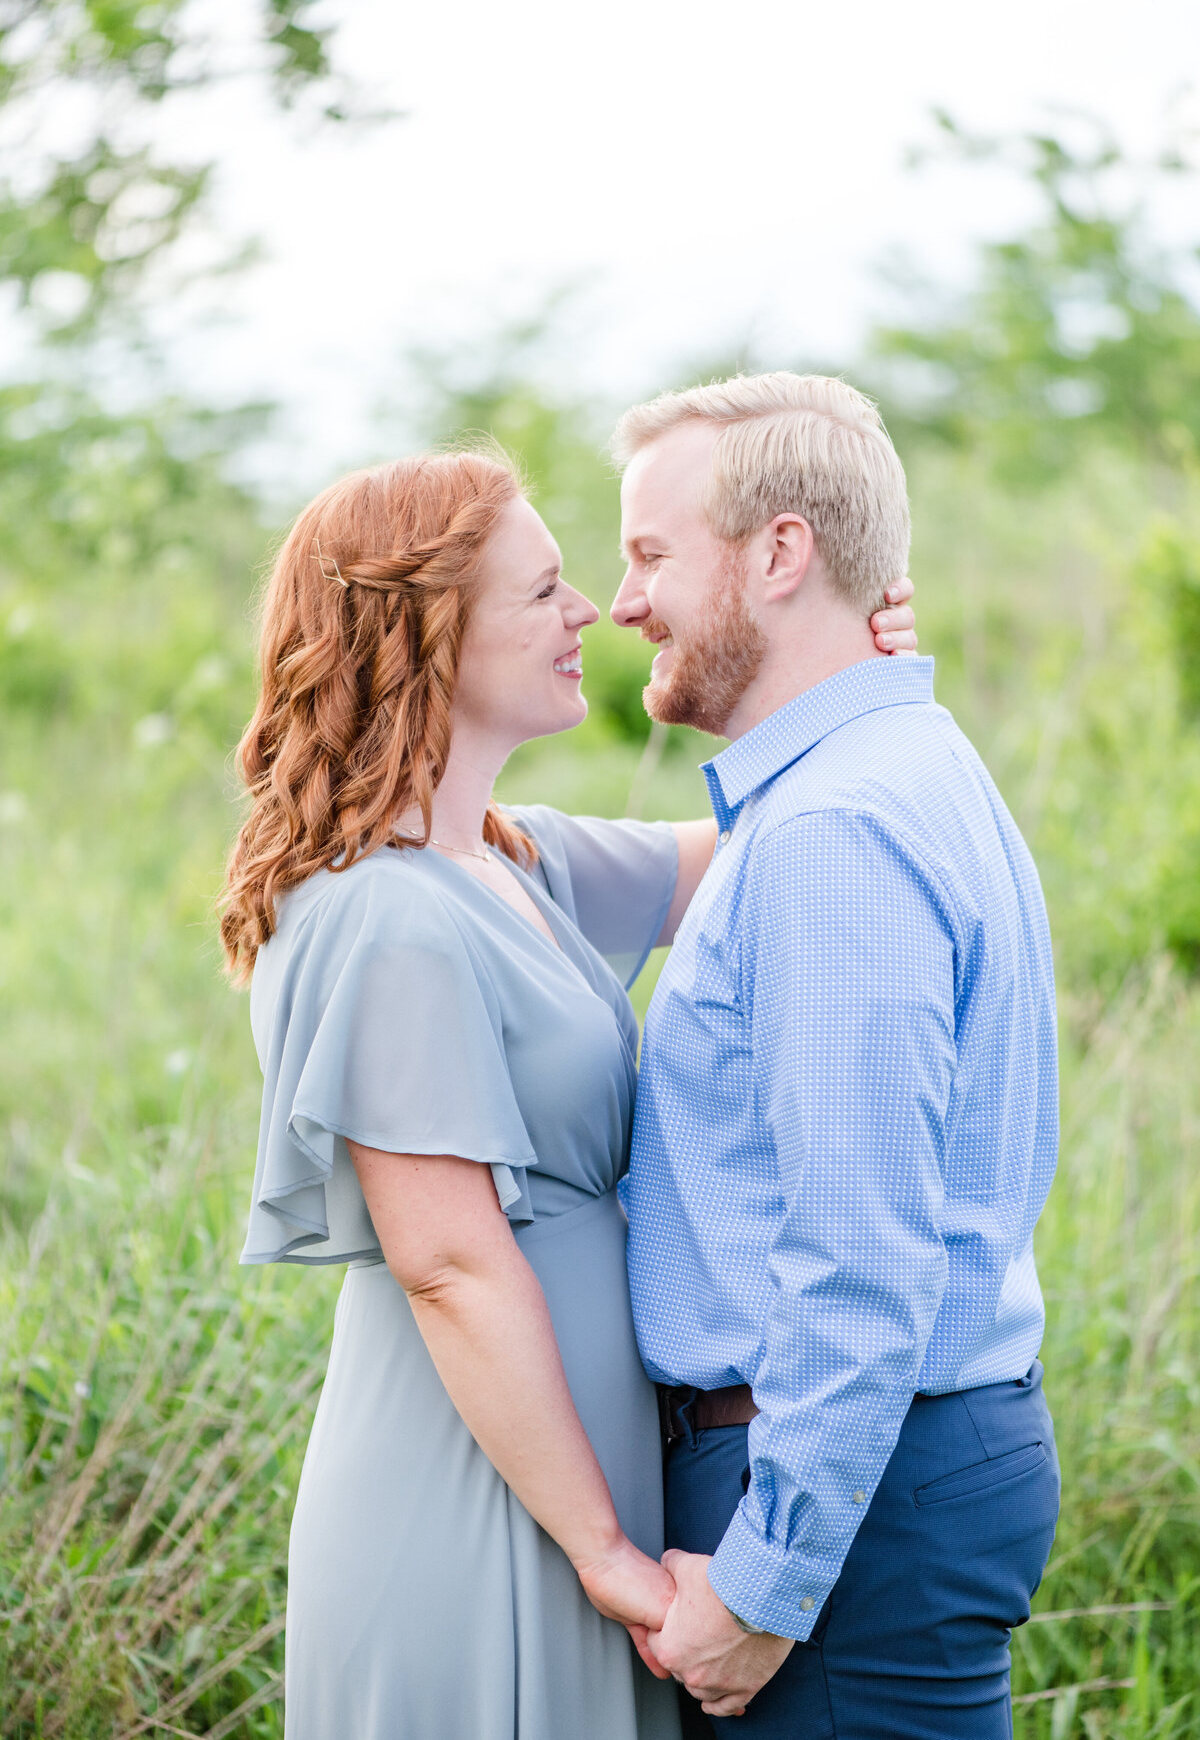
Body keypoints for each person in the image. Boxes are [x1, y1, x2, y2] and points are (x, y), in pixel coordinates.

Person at [219, 443, 920, 1737]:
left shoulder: (508, 855)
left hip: (575, 1468)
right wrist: (602, 1547)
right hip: (483, 1486)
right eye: (544, 590)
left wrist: (853, 681)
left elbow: (768, 850)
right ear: (434, 632)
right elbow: (452, 1264)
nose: (588, 609)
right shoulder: (386, 915)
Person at [611, 372, 1061, 1738]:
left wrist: (761, 1584)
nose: (623, 600)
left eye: (647, 554)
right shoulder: (887, 765)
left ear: (782, 552)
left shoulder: (830, 836)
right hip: (870, 1474)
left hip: (834, 1497)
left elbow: (861, 1255)